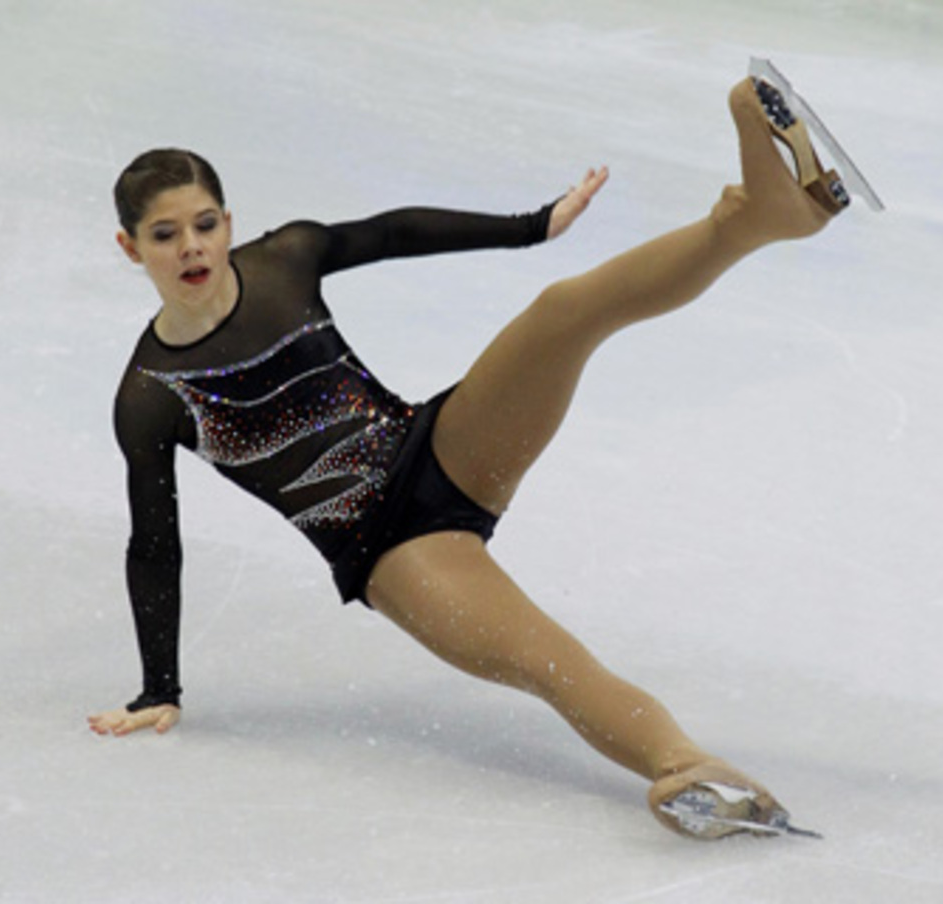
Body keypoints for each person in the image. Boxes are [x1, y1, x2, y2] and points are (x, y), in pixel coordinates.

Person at [88, 72, 849, 840]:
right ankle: (686, 767)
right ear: (131, 247)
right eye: (165, 234)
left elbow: (391, 234)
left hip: (437, 445)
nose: (192, 247)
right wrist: (161, 686)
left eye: (205, 224)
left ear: (228, 222)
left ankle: (757, 216)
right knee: (550, 659)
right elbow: (154, 543)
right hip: (389, 551)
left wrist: (532, 225)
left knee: (564, 313)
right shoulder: (154, 393)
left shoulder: (285, 259)